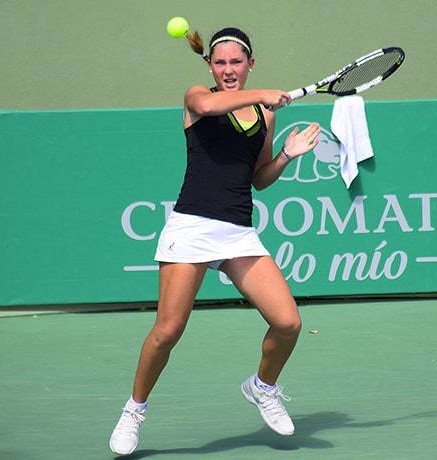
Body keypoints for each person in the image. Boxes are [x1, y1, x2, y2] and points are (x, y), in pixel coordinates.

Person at [109, 27, 321, 455]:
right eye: (220, 62)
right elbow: (209, 104)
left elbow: (258, 179)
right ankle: (134, 410)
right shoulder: (196, 97)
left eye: (236, 62)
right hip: (190, 228)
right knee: (168, 331)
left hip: (238, 232)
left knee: (288, 323)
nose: (228, 70)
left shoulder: (266, 114)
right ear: (209, 65)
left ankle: (262, 386)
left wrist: (285, 155)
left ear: (250, 63)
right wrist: (260, 93)